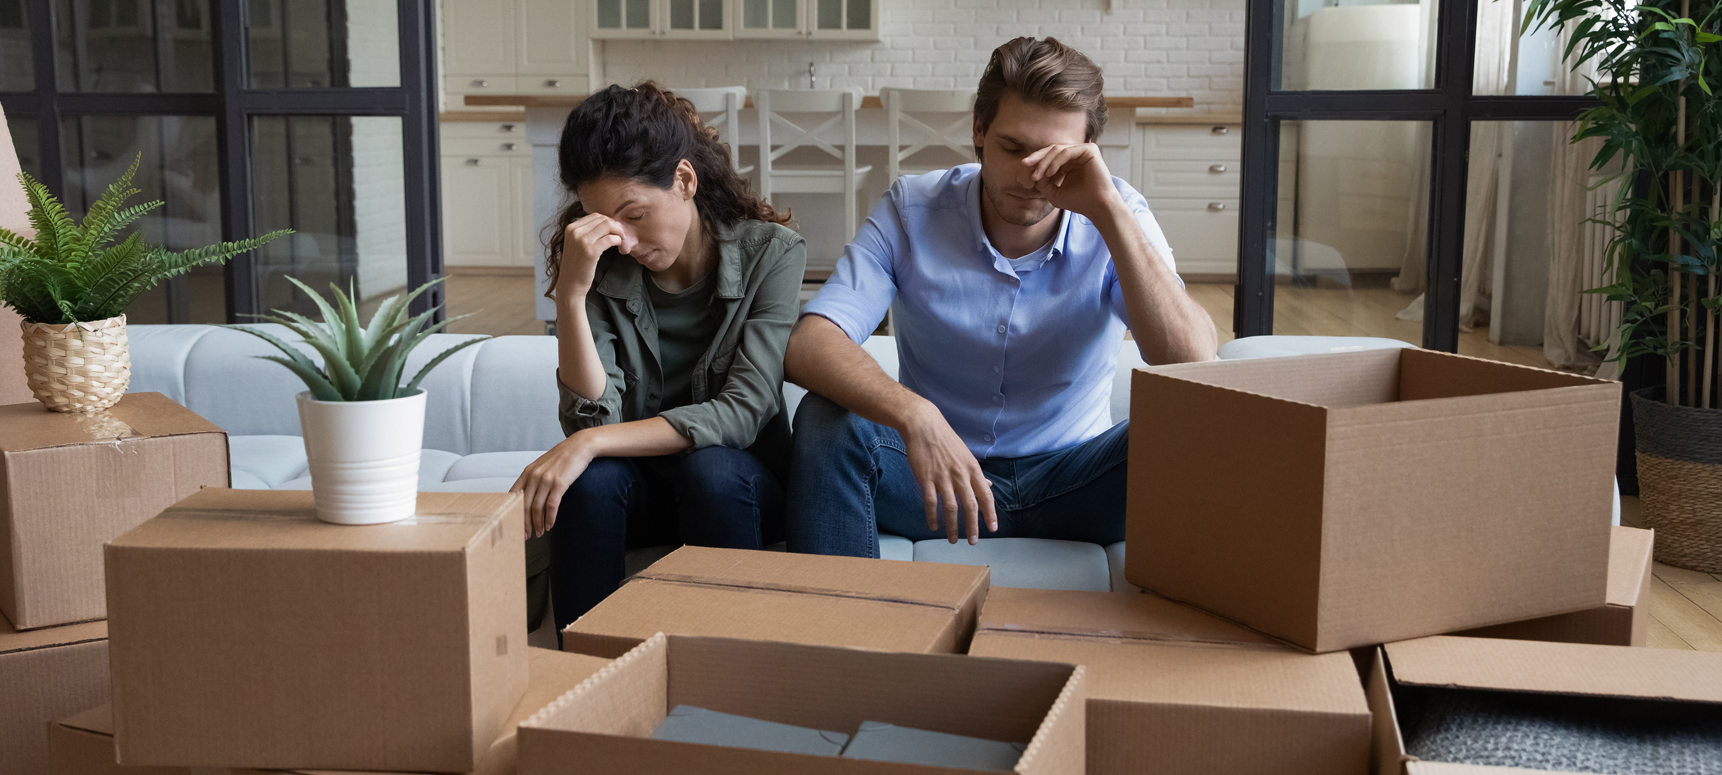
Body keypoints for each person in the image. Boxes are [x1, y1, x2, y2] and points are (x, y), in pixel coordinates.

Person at [784, 37, 1217, 557]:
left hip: (1077, 480)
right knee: (823, 421)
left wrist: (1107, 211)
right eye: (1013, 149)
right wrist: (915, 415)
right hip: (934, 480)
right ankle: (838, 632)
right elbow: (811, 343)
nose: (1031, 175)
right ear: (979, 133)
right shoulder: (912, 209)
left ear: (1088, 152)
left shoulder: (1118, 212)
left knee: (1202, 425)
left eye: (1055, 156)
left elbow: (1194, 361)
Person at [511, 82, 805, 629]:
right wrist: (572, 295)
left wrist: (590, 441)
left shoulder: (772, 254)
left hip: (735, 489)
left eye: (635, 215)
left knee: (710, 472)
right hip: (643, 491)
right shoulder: (601, 264)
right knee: (589, 481)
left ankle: (735, 669)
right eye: (604, 223)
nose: (623, 240)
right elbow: (589, 416)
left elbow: (744, 409)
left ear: (685, 180)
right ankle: (586, 677)